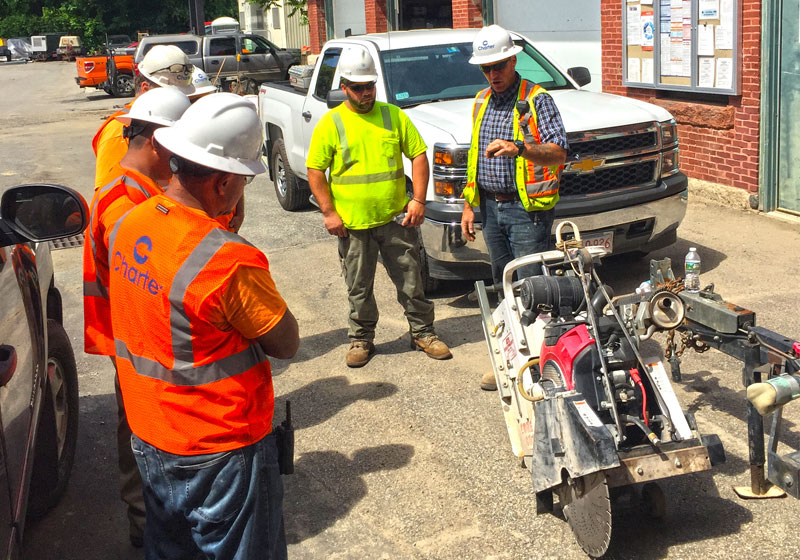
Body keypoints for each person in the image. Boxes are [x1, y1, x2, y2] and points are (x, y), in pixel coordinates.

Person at [107, 92, 298, 559]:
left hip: (151, 433)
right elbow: (285, 340)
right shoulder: (225, 260)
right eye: (243, 182)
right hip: (219, 448)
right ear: (222, 182)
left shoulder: (130, 222)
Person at [83, 86, 191, 547]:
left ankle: (150, 519)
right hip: (137, 342)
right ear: (156, 142)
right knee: (144, 431)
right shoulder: (129, 207)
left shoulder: (128, 190)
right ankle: (147, 524)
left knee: (143, 427)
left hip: (130, 338)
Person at [306, 46, 451, 368]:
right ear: (344, 87)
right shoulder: (332, 123)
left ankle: (423, 332)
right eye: (358, 88)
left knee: (412, 282)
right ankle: (361, 339)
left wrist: (418, 200)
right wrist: (329, 213)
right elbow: (315, 170)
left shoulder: (393, 116)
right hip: (353, 224)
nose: (365, 93)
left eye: (369, 86)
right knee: (358, 287)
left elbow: (418, 155)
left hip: (395, 219)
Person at [459, 25, 568, 391]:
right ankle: (513, 360)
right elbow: (474, 158)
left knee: (534, 289)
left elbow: (558, 153)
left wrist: (520, 147)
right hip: (490, 209)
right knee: (503, 286)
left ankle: (542, 364)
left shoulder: (537, 99)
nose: (494, 74)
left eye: (500, 66)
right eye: (487, 68)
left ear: (513, 60)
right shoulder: (480, 101)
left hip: (527, 213)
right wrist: (470, 205)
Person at [93, 45, 196, 190]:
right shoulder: (118, 131)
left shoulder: (165, 121)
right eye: (171, 94)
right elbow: (111, 190)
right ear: (145, 89)